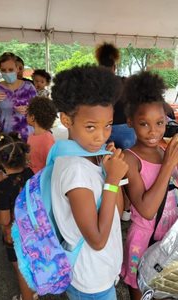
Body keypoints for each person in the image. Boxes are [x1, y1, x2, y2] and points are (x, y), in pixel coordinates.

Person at [51, 66, 128, 299]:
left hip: (99, 271)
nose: (101, 136)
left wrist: (109, 172)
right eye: (91, 127)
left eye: (108, 125)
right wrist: (113, 180)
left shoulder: (90, 157)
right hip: (90, 279)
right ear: (66, 120)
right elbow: (97, 239)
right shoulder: (75, 169)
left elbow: (119, 210)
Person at [120, 71, 178, 300]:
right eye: (144, 124)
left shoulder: (164, 151)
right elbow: (147, 209)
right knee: (140, 287)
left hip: (169, 234)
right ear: (131, 122)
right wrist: (168, 164)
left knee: (164, 285)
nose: (153, 131)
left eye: (159, 123)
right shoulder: (130, 159)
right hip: (143, 238)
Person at [0, 133, 36, 300]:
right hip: (34, 231)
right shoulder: (31, 174)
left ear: (0, 161)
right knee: (30, 266)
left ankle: (27, 297)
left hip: (14, 237)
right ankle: (33, 293)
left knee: (21, 271)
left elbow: (4, 220)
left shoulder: (2, 187)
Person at [95, 42, 135, 221]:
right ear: (114, 65)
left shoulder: (93, 85)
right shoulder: (125, 82)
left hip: (104, 130)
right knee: (129, 169)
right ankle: (127, 207)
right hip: (127, 130)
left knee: (106, 170)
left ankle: (108, 207)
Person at [0, 52, 37, 141]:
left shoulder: (28, 86)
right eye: (3, 70)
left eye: (11, 69)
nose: (7, 73)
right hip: (6, 137)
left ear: (17, 69)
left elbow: (39, 109)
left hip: (28, 135)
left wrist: (29, 109)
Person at [26, 96, 57, 174]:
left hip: (42, 181)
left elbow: (52, 166)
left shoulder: (47, 140)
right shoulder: (32, 135)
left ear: (33, 118)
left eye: (27, 114)